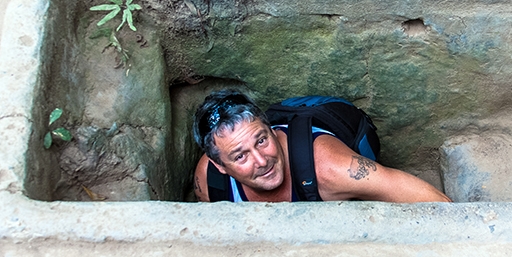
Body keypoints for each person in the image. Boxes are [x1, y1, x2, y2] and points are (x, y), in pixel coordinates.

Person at [192, 90, 451, 203]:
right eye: (240, 156)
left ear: (271, 129)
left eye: (261, 140)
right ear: (219, 164)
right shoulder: (210, 183)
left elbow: (432, 199)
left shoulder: (330, 168)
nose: (262, 161)